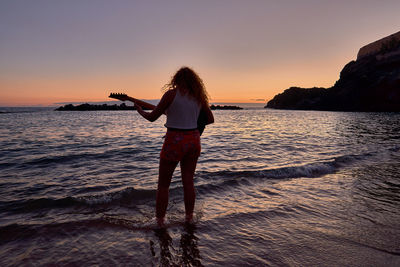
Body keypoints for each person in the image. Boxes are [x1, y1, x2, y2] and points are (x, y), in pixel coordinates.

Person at [134, 67, 214, 227]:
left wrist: (140, 111)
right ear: (194, 81)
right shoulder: (198, 97)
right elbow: (210, 119)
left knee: (163, 185)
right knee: (188, 181)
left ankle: (160, 221)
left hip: (174, 139)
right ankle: (189, 217)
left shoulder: (171, 94)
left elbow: (152, 117)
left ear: (176, 79)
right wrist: (191, 121)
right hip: (193, 139)